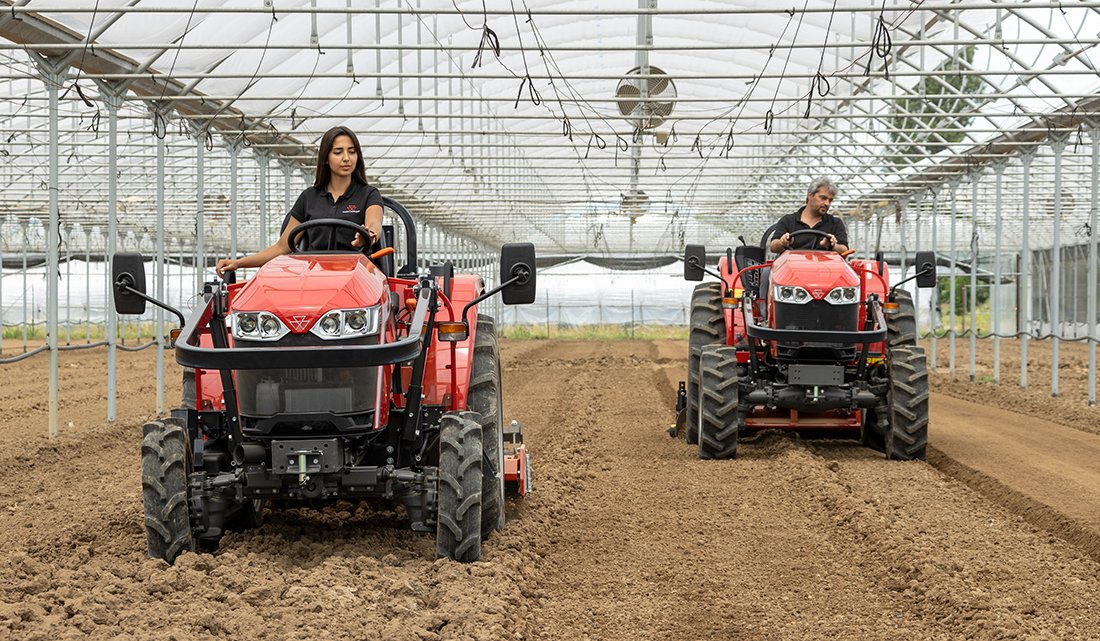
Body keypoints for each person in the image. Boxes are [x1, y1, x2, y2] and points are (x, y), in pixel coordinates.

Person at [216, 126, 385, 276]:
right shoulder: (309, 198)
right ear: (326, 158)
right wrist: (238, 263)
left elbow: (374, 223)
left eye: (352, 151)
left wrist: (367, 236)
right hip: (315, 276)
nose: (346, 158)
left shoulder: (368, 194)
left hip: (357, 275)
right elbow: (282, 247)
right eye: (338, 152)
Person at [769, 177, 850, 255]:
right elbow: (773, 247)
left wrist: (832, 245)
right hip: (793, 266)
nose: (827, 203)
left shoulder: (835, 223)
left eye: (830, 200)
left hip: (824, 267)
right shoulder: (788, 220)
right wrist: (782, 242)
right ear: (810, 195)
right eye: (823, 198)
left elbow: (844, 251)